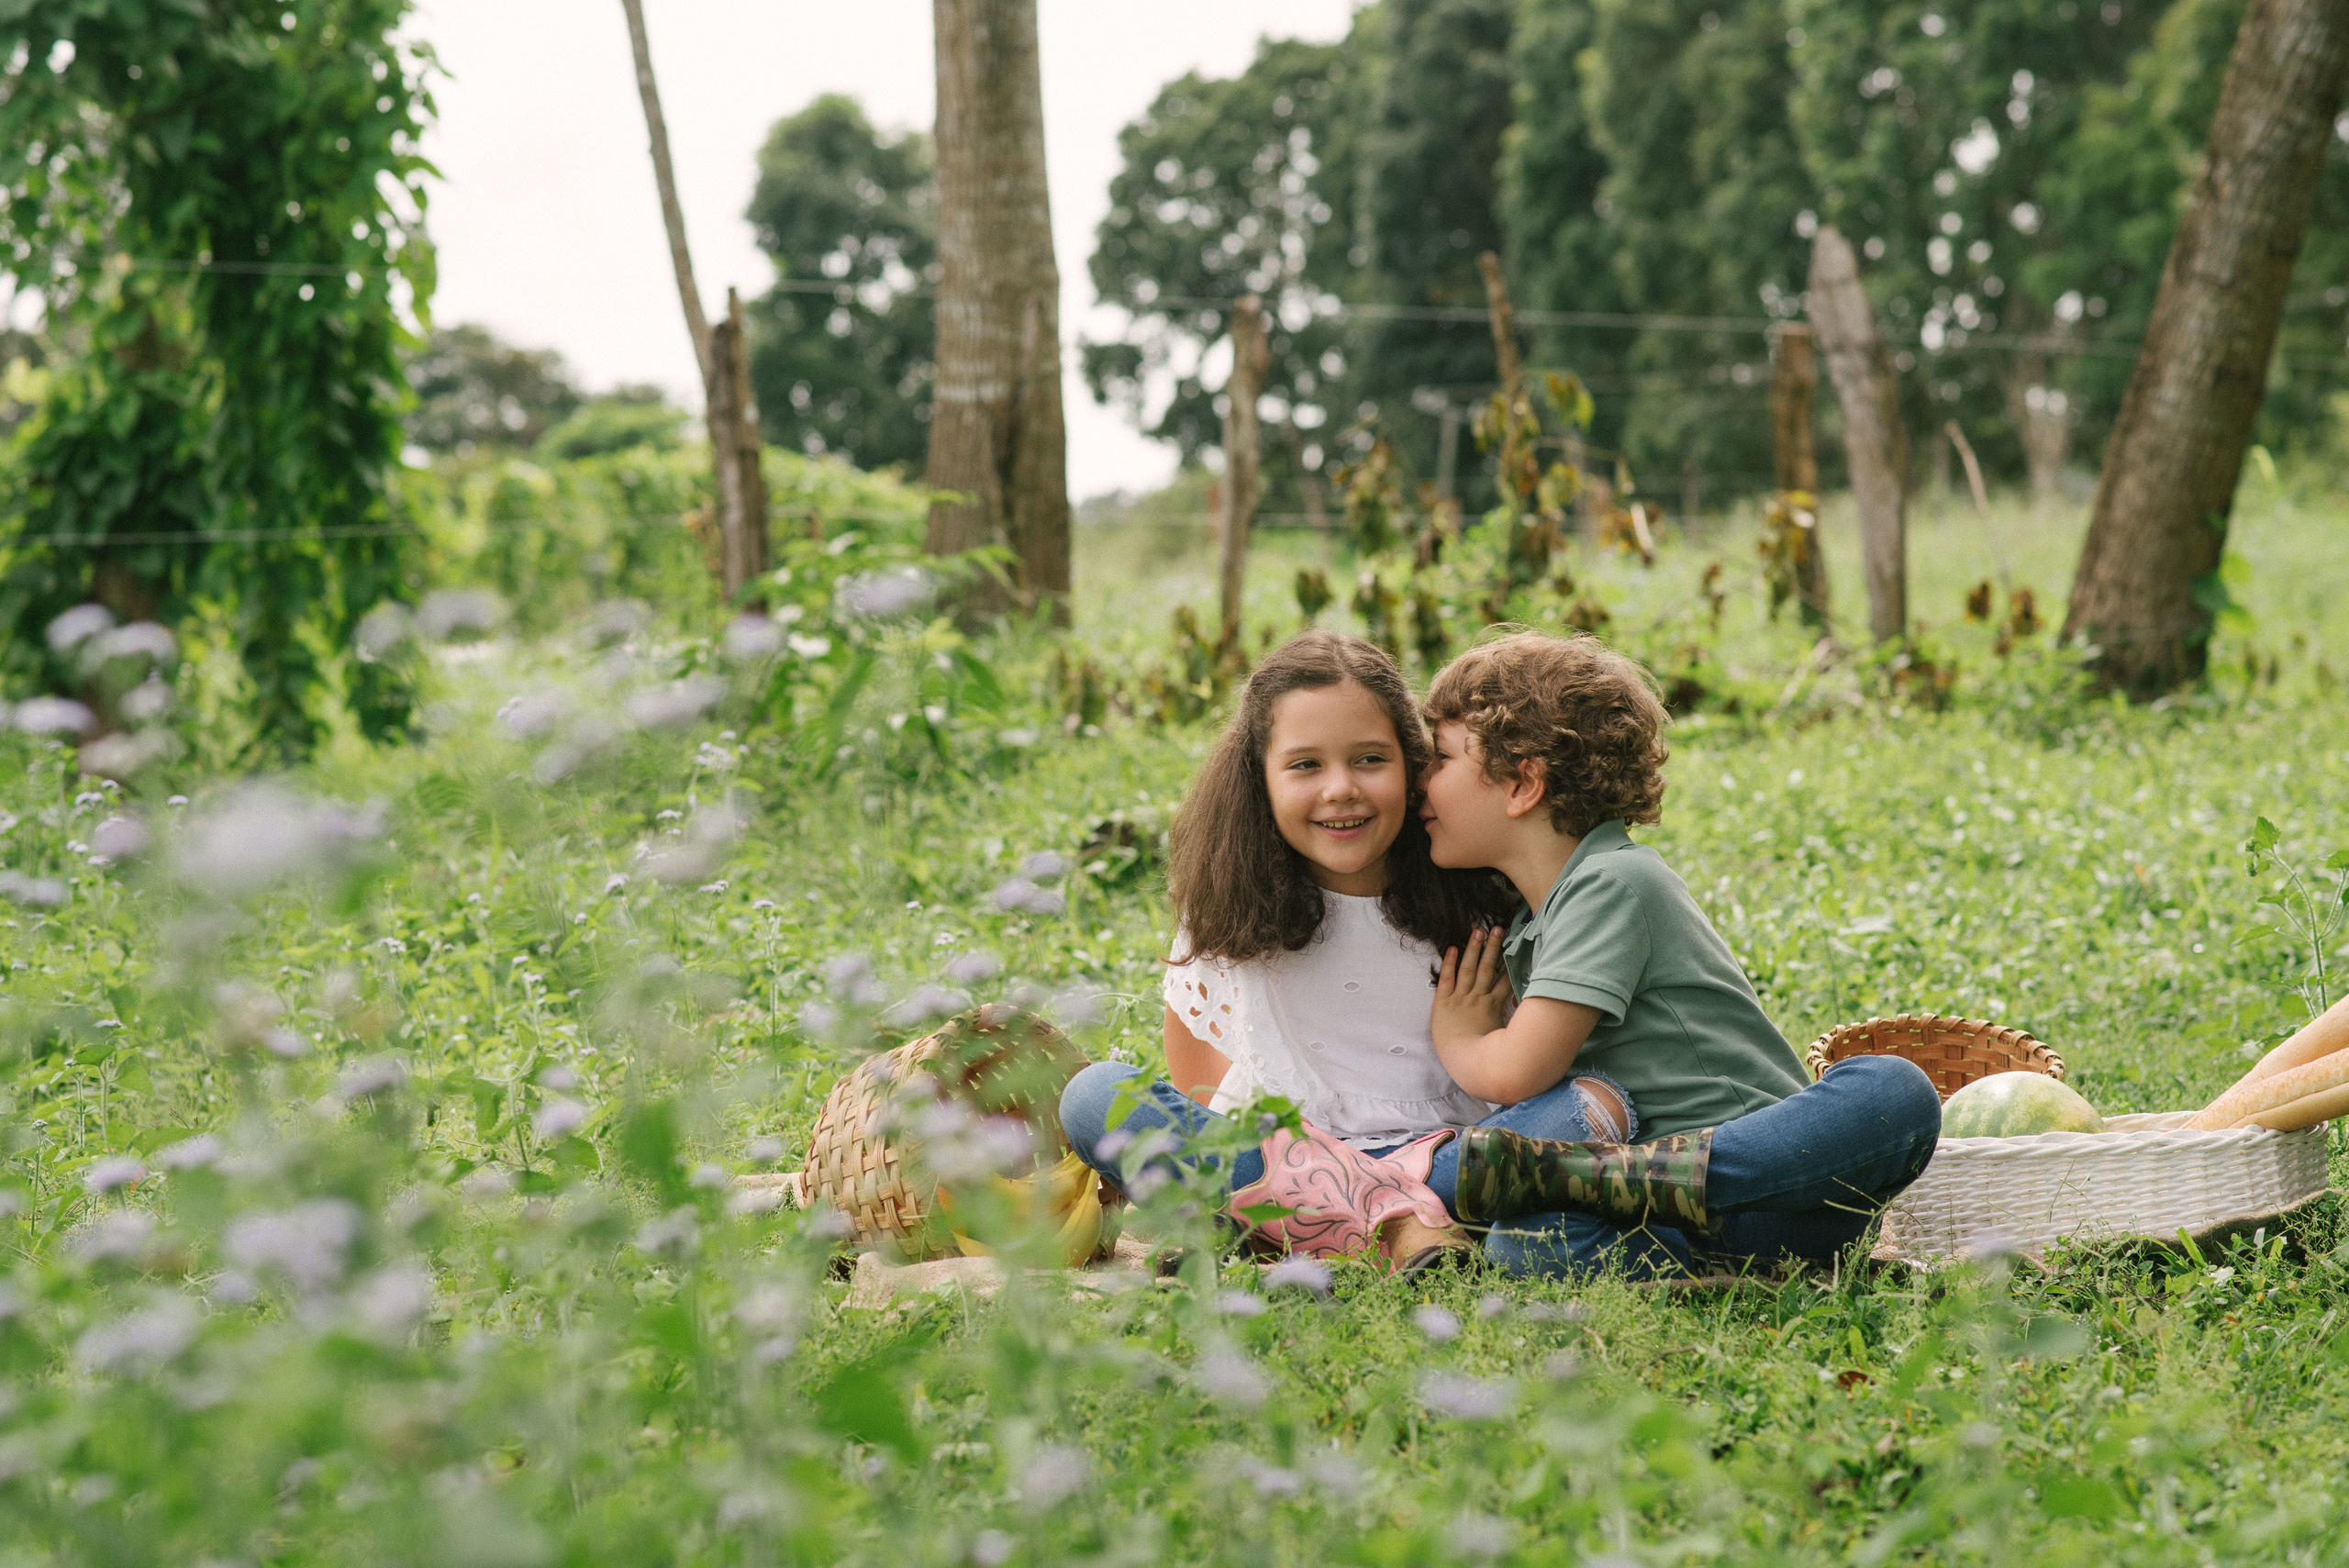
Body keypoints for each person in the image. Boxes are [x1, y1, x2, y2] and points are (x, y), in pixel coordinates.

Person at [1057, 630, 1633, 1272]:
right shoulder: (1229, 908)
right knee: (1094, 1095)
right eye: (1306, 765)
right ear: (1261, 778)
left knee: (1593, 1104)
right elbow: (1198, 1086)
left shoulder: (1477, 898)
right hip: (1277, 1159)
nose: (1341, 788)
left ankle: (1303, 1227)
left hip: (1441, 1159)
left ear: (1413, 765)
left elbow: (1530, 1063)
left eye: (1369, 760)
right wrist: (1237, 1164)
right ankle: (1398, 1227)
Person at [1418, 630, 1943, 1280]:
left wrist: (1460, 1037)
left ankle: (1610, 1178)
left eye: (1439, 758)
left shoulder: (1613, 881)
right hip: (1664, 1220)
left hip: (1777, 1194)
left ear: (1524, 781)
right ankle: (1698, 1269)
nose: (1421, 780)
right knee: (1524, 1239)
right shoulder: (1534, 920)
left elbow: (1520, 1069)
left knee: (1893, 1089)